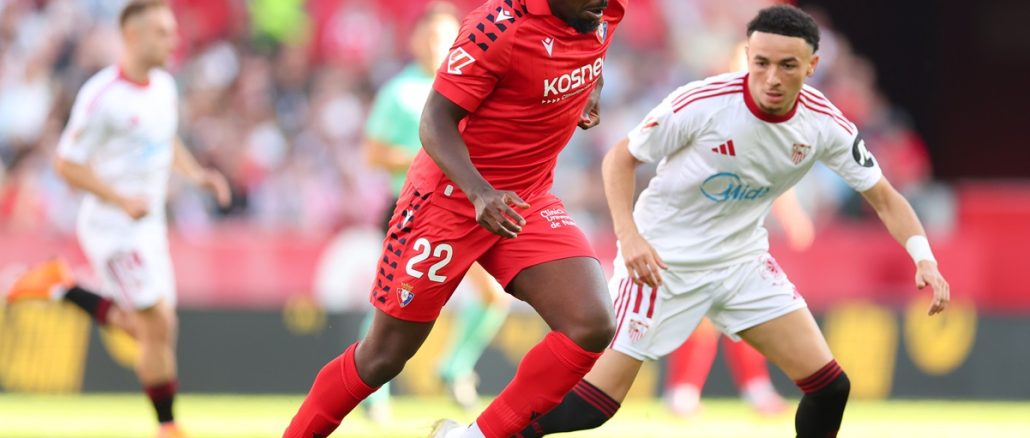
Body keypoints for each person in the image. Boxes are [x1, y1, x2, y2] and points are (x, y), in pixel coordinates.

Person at [519, 5, 950, 438]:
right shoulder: (702, 103)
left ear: (812, 65)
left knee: (830, 387)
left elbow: (885, 198)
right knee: (593, 407)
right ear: (747, 56)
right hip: (663, 262)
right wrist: (629, 237)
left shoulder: (825, 124)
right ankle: (497, 432)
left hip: (741, 262)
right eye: (761, 63)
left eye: (787, 66)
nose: (772, 78)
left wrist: (924, 257)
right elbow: (619, 158)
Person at [283, 0, 626, 437]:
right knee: (383, 357)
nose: (603, 1)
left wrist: (591, 90)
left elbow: (593, 51)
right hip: (448, 202)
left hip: (525, 197)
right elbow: (434, 121)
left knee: (592, 323)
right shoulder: (497, 28)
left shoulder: (602, 10)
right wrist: (479, 193)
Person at [3, 2, 230, 437]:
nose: (173, 41)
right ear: (132, 36)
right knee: (156, 324)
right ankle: (168, 426)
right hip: (113, 227)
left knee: (157, 330)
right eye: (162, 32)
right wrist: (120, 199)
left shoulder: (164, 86)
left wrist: (197, 174)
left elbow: (166, 139)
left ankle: (62, 286)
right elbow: (66, 164)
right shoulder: (101, 96)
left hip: (149, 224)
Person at [360, 3, 510, 418]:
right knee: (393, 302)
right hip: (411, 207)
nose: (435, 44)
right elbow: (372, 154)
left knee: (493, 296)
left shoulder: (470, 84)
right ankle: (372, 391)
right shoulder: (398, 91)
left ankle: (454, 366)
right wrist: (428, 156)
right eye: (429, 35)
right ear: (414, 41)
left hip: (463, 206)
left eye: (444, 36)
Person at [664, 189, 813, 417]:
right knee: (703, 310)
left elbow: (774, 172)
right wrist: (791, 214)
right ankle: (684, 391)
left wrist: (791, 213)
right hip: (701, 228)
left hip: (738, 233)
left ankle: (753, 388)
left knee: (744, 309)